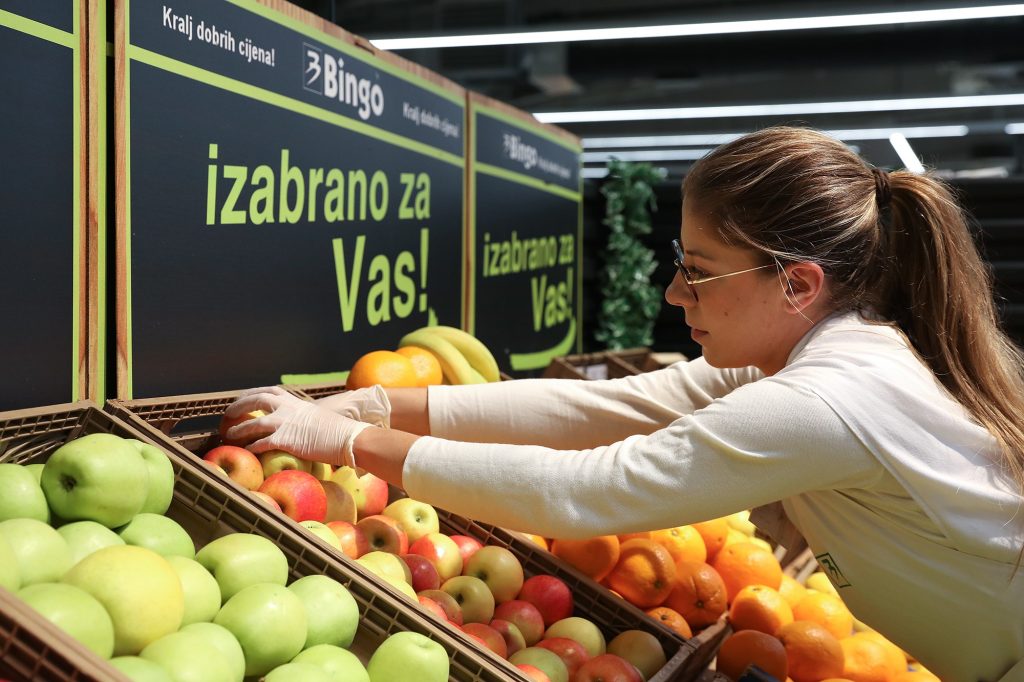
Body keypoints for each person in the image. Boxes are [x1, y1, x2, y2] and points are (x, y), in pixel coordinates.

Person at [224, 126, 1024, 681]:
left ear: (798, 284)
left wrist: (351, 446)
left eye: (701, 271)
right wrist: (382, 408)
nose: (676, 292)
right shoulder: (823, 353)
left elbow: (585, 490)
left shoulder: (826, 397)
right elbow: (609, 410)